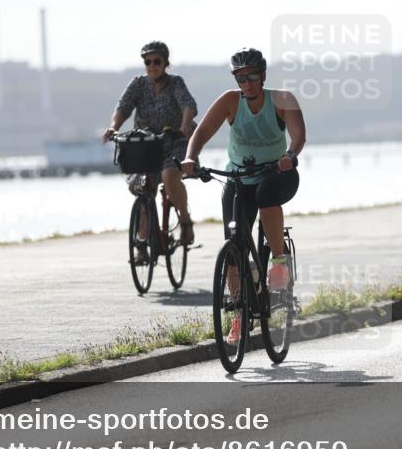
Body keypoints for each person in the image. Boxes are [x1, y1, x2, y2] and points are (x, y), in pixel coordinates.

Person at [181, 48, 306, 343]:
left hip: (278, 174)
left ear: (263, 76)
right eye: (240, 78)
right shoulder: (229, 102)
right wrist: (190, 158)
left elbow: (299, 135)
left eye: (252, 76)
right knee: (233, 245)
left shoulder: (282, 100)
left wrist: (290, 154)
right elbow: (203, 132)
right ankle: (238, 314)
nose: (247, 83)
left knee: (266, 196)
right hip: (239, 178)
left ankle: (279, 262)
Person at [102, 41, 198, 248]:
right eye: (148, 62)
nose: (152, 65)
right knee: (143, 187)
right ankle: (142, 240)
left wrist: (184, 125)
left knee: (169, 176)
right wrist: (113, 127)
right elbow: (123, 107)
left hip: (174, 140)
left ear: (165, 63)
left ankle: (185, 219)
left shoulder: (175, 83)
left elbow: (188, 105)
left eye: (157, 61)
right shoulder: (138, 84)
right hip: (145, 143)